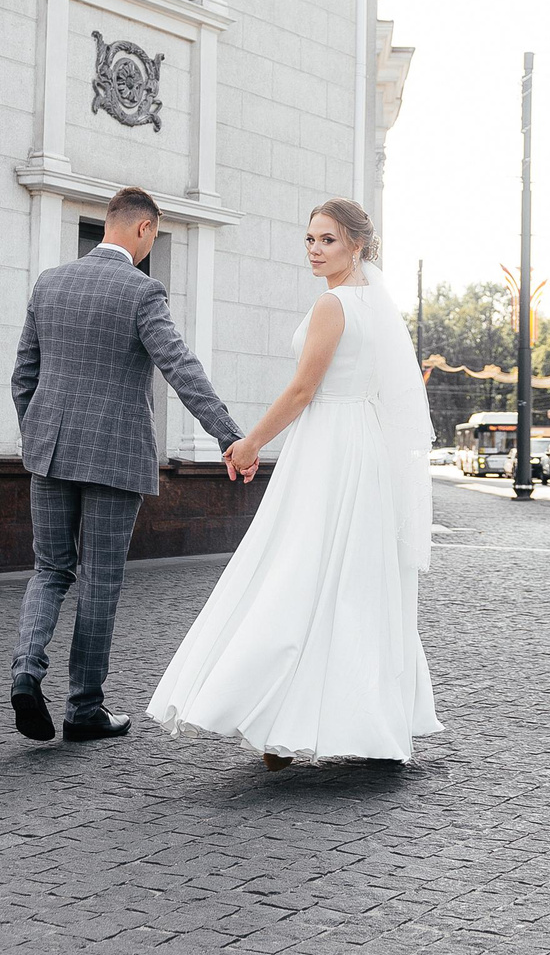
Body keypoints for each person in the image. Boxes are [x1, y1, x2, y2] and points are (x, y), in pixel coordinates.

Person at [149, 198, 441, 770]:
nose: (313, 249)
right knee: (353, 578)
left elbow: (303, 390)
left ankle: (275, 720)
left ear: (356, 246)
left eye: (327, 240)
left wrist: (251, 441)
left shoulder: (334, 304)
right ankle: (356, 721)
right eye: (309, 239)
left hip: (331, 442)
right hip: (361, 443)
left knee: (299, 568)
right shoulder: (373, 305)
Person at [10, 187, 248, 744]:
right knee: (100, 581)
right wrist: (229, 436)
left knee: (50, 569)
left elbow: (24, 375)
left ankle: (26, 670)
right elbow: (180, 367)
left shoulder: (50, 284)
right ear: (143, 230)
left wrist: (41, 433)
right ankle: (83, 708)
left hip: (49, 452)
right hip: (115, 456)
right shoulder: (142, 292)